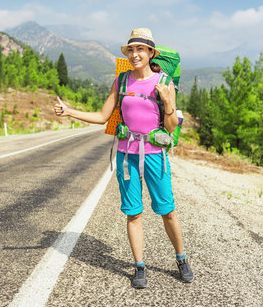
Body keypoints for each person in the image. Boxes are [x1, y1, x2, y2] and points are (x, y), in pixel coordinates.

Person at [54, 28, 193, 289]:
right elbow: (102, 116)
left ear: (151, 52)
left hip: (154, 155)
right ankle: (139, 266)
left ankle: (181, 258)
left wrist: (168, 101)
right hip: (126, 154)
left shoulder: (164, 82)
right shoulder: (121, 81)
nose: (135, 54)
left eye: (140, 49)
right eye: (131, 49)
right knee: (133, 213)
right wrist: (69, 111)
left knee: (168, 211)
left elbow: (172, 127)